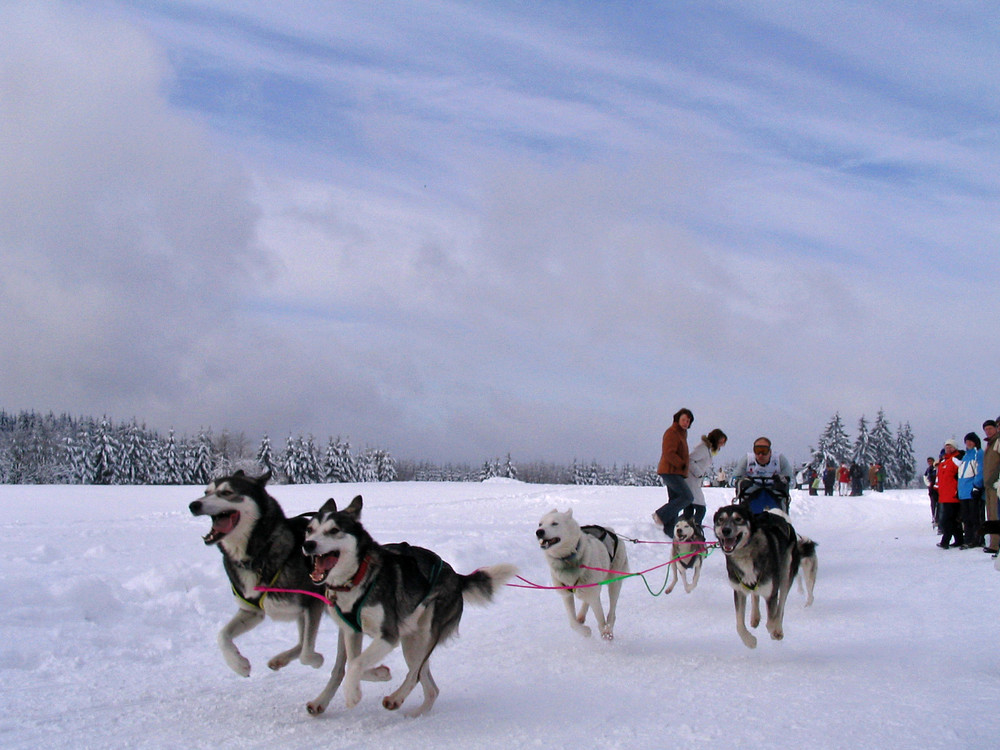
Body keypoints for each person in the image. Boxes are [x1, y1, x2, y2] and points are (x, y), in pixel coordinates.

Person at [653, 408, 694, 538]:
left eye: (688, 421)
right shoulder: (672, 432)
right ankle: (661, 515)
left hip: (676, 472)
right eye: (683, 420)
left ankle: (670, 530)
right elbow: (668, 452)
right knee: (687, 497)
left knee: (675, 499)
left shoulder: (682, 434)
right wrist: (681, 464)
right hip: (670, 471)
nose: (686, 423)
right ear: (677, 419)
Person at [732, 437, 795, 514]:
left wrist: (783, 481)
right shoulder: (747, 460)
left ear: (770, 452)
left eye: (764, 451)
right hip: (752, 492)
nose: (760, 455)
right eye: (757, 451)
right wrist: (741, 482)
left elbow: (793, 482)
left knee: (781, 504)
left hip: (774, 491)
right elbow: (732, 480)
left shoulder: (779, 460)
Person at [682, 428, 728, 525]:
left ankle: (687, 527)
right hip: (692, 480)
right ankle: (695, 527)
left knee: (689, 507)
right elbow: (689, 460)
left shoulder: (707, 449)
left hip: (693, 481)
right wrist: (699, 473)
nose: (722, 445)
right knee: (701, 508)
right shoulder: (702, 448)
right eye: (721, 442)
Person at [957, 432, 984, 549]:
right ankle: (967, 539)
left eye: (970, 441)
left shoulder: (978, 454)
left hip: (972, 491)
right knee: (966, 517)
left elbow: (980, 470)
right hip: (963, 492)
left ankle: (977, 539)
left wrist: (977, 486)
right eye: (966, 441)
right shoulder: (965, 456)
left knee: (975, 517)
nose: (968, 443)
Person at [936, 439, 963, 549]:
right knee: (951, 519)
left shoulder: (956, 459)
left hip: (953, 494)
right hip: (944, 495)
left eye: (950, 446)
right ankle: (959, 540)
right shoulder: (943, 461)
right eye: (946, 447)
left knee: (947, 520)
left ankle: (945, 540)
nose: (948, 448)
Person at [983, 419, 1000, 555]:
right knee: (991, 514)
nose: (988, 431)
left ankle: (996, 544)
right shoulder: (989, 444)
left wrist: (993, 479)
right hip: (988, 485)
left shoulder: (998, 442)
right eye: (986, 429)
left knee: (996, 514)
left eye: (990, 429)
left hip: (996, 484)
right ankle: (994, 544)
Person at [922, 457, 938, 528]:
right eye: (928, 461)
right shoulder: (928, 469)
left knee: (937, 504)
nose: (929, 462)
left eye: (930, 461)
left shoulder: (936, 468)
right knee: (933, 503)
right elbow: (925, 477)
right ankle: (934, 516)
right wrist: (928, 484)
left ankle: (937, 517)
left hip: (936, 488)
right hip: (931, 489)